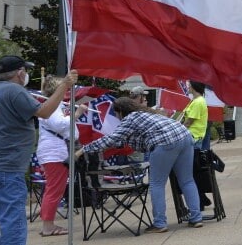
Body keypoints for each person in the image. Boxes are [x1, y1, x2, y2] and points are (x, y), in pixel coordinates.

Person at [0, 56, 76, 245]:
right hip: (6, 166)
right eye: (26, 71)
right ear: (20, 73)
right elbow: (45, 112)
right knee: (12, 222)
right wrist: (64, 85)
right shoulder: (15, 91)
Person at [76, 97, 203, 233]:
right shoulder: (146, 114)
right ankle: (196, 218)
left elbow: (112, 139)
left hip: (164, 142)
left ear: (120, 111)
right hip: (185, 136)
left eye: (115, 113)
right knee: (187, 180)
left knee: (157, 184)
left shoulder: (130, 118)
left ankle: (160, 223)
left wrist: (83, 150)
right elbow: (125, 141)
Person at [35, 76, 88, 237]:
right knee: (54, 190)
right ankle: (48, 226)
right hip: (54, 153)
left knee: (54, 189)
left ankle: (48, 223)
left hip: (56, 152)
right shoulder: (52, 105)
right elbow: (59, 125)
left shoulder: (55, 105)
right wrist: (77, 113)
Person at [183, 81, 208, 148]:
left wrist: (177, 133)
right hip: (192, 137)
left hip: (193, 138)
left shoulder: (198, 102)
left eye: (189, 85)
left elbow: (188, 122)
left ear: (194, 86)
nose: (188, 87)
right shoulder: (196, 100)